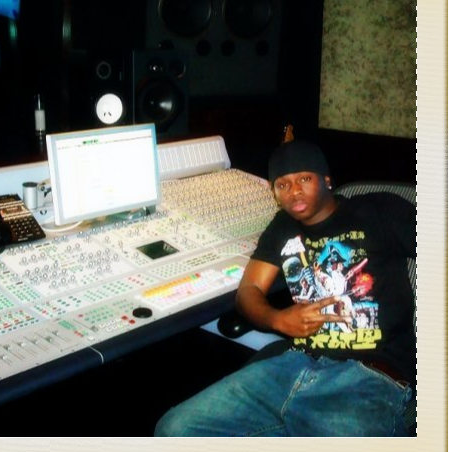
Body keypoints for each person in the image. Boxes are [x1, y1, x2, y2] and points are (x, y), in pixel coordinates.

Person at [155, 140, 416, 436]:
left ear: (327, 180)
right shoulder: (282, 227)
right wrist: (279, 319)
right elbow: (248, 290)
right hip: (293, 366)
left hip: (368, 376)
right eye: (283, 185)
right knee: (175, 429)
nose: (294, 191)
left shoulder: (378, 210)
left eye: (304, 179)